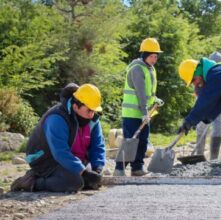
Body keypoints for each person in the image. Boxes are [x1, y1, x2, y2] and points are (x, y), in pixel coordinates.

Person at [11, 83, 106, 192]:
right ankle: (29, 181)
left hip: (71, 158)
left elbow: (98, 146)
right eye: (89, 110)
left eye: (94, 110)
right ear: (75, 106)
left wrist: (97, 170)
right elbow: (60, 152)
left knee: (90, 182)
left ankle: (69, 175)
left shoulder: (93, 119)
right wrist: (83, 172)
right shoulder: (57, 118)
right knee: (74, 182)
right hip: (45, 159)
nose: (91, 115)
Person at [114, 38, 163, 176]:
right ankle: (119, 169)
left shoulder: (149, 69)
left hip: (144, 113)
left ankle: (137, 168)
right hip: (132, 113)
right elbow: (140, 93)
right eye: (152, 56)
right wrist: (144, 112)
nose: (154, 59)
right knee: (130, 141)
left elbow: (148, 93)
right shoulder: (137, 69)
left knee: (143, 141)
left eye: (155, 56)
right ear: (145, 55)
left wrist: (156, 100)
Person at [194, 51, 221, 160]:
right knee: (201, 127)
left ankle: (214, 158)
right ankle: (199, 156)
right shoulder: (203, 73)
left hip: (220, 105)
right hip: (204, 103)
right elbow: (198, 90)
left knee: (218, 128)